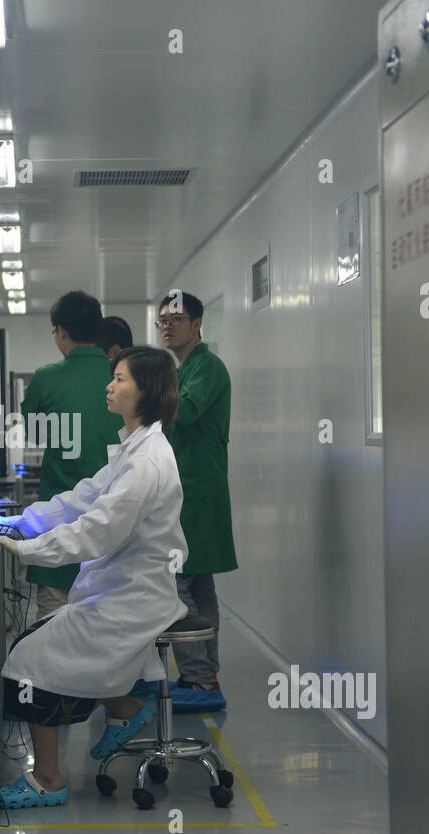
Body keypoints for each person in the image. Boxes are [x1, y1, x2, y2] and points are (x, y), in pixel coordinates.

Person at [0, 347, 186, 808]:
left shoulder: (146, 461)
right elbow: (80, 499)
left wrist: (27, 548)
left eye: (120, 379)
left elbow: (97, 531)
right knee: (39, 645)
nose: (109, 387)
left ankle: (49, 780)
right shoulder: (133, 448)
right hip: (117, 590)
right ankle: (126, 709)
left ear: (147, 390)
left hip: (133, 599)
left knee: (26, 660)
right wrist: (19, 522)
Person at [154, 291, 237, 713]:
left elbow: (182, 413)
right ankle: (205, 679)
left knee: (178, 582)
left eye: (177, 318)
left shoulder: (206, 367)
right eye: (162, 321)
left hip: (196, 492)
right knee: (200, 587)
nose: (167, 326)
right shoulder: (184, 367)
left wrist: (145, 391)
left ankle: (198, 679)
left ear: (197, 324)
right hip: (191, 490)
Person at [19, 291, 124, 620]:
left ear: (61, 331)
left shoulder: (46, 377)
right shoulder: (125, 378)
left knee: (52, 641)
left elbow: (34, 435)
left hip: (60, 536)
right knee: (112, 643)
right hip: (116, 536)